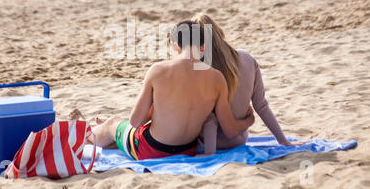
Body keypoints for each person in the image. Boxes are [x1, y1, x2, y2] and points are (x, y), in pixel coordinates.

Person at [90, 20, 255, 160]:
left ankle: (86, 133)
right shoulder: (217, 78)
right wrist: (249, 120)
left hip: (150, 150)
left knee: (114, 124)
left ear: (174, 45)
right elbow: (230, 129)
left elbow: (135, 122)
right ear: (203, 47)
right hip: (188, 149)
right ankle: (102, 132)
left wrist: (156, 108)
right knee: (119, 131)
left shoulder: (158, 70)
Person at [192, 13, 303, 155]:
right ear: (219, 32)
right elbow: (261, 105)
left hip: (208, 143)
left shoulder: (200, 67)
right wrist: (283, 141)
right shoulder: (247, 59)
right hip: (239, 140)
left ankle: (209, 154)